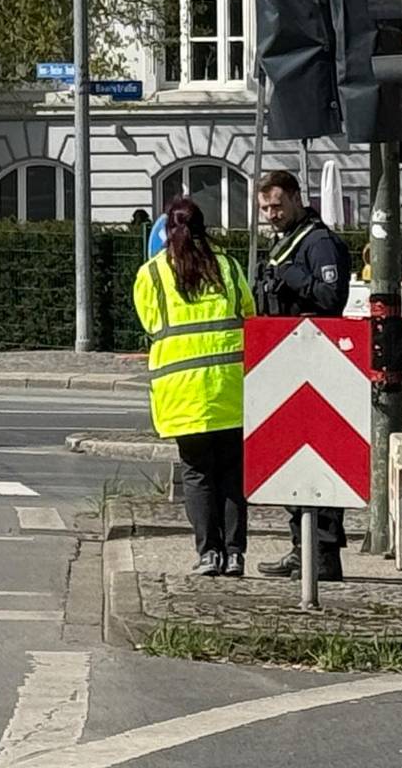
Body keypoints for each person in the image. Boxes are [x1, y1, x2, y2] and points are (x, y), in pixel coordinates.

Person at [134, 196, 252, 577]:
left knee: (197, 473)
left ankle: (209, 553)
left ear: (167, 232)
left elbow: (149, 323)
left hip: (182, 391)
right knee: (232, 473)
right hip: (230, 387)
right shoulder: (228, 267)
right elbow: (249, 314)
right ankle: (235, 554)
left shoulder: (152, 274)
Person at [251, 169, 348, 581]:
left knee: (318, 461)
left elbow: (331, 297)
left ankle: (323, 554)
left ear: (295, 198)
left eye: (276, 205)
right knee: (292, 462)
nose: (271, 214)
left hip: (316, 363)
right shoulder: (285, 241)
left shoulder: (318, 242)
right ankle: (301, 548)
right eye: (265, 208)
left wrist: (293, 277)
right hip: (286, 361)